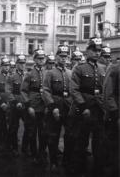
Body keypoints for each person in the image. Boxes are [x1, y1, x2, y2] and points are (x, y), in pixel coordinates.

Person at [70, 34, 106, 176]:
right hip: (85, 110)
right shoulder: (79, 68)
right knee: (82, 141)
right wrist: (83, 106)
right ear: (88, 51)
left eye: (99, 50)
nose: (97, 52)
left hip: (99, 110)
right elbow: (74, 89)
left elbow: (106, 89)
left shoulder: (104, 68)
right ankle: (80, 169)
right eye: (94, 50)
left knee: (99, 141)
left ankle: (98, 169)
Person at [43, 44, 72, 173]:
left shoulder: (70, 73)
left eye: (65, 56)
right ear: (56, 57)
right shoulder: (50, 73)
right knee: (53, 136)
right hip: (55, 107)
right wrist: (52, 106)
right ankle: (53, 161)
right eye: (61, 56)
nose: (64, 59)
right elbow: (46, 91)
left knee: (70, 135)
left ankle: (66, 160)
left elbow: (73, 91)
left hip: (68, 107)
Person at [21, 47, 47, 162]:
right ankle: (33, 153)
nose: (42, 60)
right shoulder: (30, 74)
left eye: (43, 58)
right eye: (39, 58)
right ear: (35, 59)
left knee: (43, 132)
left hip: (44, 106)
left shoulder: (47, 73)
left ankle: (41, 153)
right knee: (32, 131)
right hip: (33, 106)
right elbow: (23, 91)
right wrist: (29, 106)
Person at [8, 53, 28, 156]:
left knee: (28, 126)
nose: (22, 65)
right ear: (16, 64)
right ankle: (14, 148)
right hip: (15, 104)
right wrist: (15, 102)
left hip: (25, 104)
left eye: (24, 63)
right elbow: (9, 91)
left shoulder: (28, 75)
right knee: (13, 127)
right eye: (20, 63)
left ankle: (25, 148)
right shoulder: (12, 77)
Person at [103, 62, 119, 177]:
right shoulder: (115, 69)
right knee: (116, 146)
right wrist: (115, 113)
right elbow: (108, 93)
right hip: (117, 114)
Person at [0, 56, 13, 146]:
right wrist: (1, 102)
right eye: (4, 65)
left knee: (10, 123)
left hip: (9, 102)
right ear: (1, 66)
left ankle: (8, 141)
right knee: (0, 122)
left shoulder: (12, 76)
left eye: (8, 65)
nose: (7, 67)